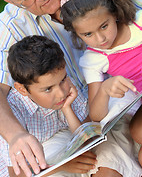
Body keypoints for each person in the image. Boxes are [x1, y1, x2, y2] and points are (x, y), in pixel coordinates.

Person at [0, 0, 142, 177]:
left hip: (122, 108)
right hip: (75, 122)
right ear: (11, 1)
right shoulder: (10, 25)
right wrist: (15, 135)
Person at [60, 0, 142, 174]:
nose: (100, 39)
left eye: (104, 26)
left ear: (114, 14)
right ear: (77, 34)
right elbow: (96, 116)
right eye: (88, 34)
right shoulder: (94, 59)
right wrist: (105, 91)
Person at [1, 35, 99, 177]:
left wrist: (67, 109)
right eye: (48, 89)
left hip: (56, 149)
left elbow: (86, 141)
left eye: (63, 79)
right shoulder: (13, 113)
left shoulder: (66, 87)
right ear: (22, 89)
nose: (60, 93)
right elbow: (16, 174)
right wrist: (62, 165)